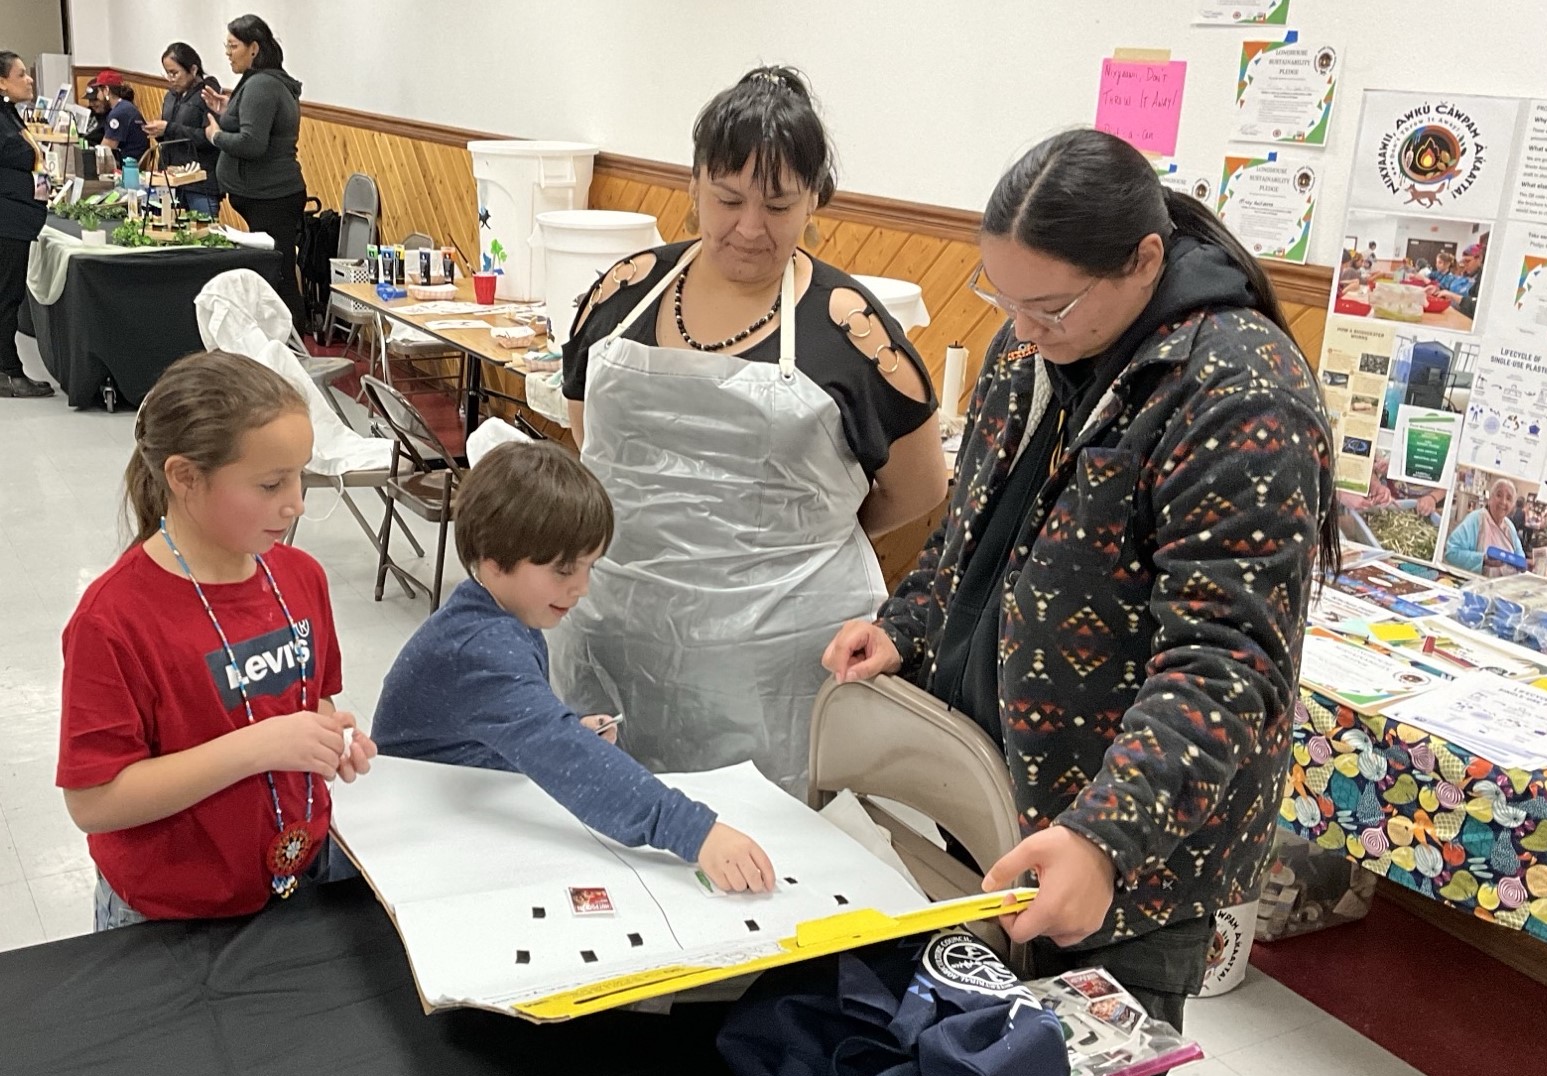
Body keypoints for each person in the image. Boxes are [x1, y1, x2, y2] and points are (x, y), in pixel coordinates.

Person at [822, 128, 1337, 1029]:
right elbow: (970, 530)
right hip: (980, 781)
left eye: (1050, 307)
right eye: (1002, 296)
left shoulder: (1238, 391)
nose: (1021, 328)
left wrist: (1105, 838)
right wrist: (909, 622)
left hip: (1118, 840)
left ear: (1145, 260)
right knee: (949, 1062)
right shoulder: (1028, 348)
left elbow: (1225, 662)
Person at [554, 66, 947, 792]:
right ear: (693, 183)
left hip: (773, 672)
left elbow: (921, 485)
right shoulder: (623, 292)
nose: (749, 227)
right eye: (728, 198)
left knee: (756, 859)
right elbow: (593, 445)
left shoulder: (850, 330)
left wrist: (802, 527)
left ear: (814, 203)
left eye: (778, 204)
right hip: (613, 637)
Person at [56, 352, 377, 929]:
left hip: (297, 874)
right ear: (183, 477)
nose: (297, 502)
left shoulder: (301, 577)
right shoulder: (113, 620)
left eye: (301, 474)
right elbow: (94, 801)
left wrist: (328, 734)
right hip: (169, 913)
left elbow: (311, 699)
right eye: (271, 483)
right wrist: (262, 746)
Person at [373, 440, 775, 893]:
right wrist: (695, 831)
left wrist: (568, 727)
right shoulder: (480, 647)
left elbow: (519, 727)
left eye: (589, 567)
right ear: (492, 560)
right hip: (406, 841)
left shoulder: (496, 614)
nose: (582, 588)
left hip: (459, 801)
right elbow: (567, 757)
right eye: (564, 571)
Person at [205, 13, 308, 330]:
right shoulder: (262, 81)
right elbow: (254, 124)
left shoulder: (262, 84)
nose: (228, 52)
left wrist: (216, 136)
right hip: (265, 195)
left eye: (233, 45)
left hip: (272, 196)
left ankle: (293, 348)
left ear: (254, 48)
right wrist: (228, 112)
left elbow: (252, 144)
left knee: (279, 275)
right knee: (277, 271)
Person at [0, 50, 51, 398]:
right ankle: (8, 372)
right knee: (7, 296)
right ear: (1, 81)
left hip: (17, 216)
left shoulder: (10, 114)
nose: (29, 78)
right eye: (20, 74)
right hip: (7, 219)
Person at [143, 42, 223, 216]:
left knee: (204, 235)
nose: (170, 79)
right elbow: (169, 133)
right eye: (167, 73)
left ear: (193, 70)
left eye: (175, 73)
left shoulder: (208, 95)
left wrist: (169, 128)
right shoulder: (170, 96)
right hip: (170, 178)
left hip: (200, 183)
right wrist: (158, 132)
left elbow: (211, 138)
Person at [1445, 477, 1524, 575]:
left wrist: (1526, 565)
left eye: (1509, 498)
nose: (1503, 502)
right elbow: (1451, 553)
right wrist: (1483, 560)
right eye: (1499, 495)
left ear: (1512, 505)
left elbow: (1520, 558)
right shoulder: (1476, 519)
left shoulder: (1510, 527)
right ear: (1490, 498)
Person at [100, 81, 151, 166]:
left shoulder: (119, 113)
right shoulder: (125, 106)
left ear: (106, 90)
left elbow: (105, 149)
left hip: (129, 166)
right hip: (134, 162)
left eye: (98, 92)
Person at [81, 70, 114, 146]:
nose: (92, 104)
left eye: (95, 100)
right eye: (90, 100)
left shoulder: (112, 116)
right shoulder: (90, 112)